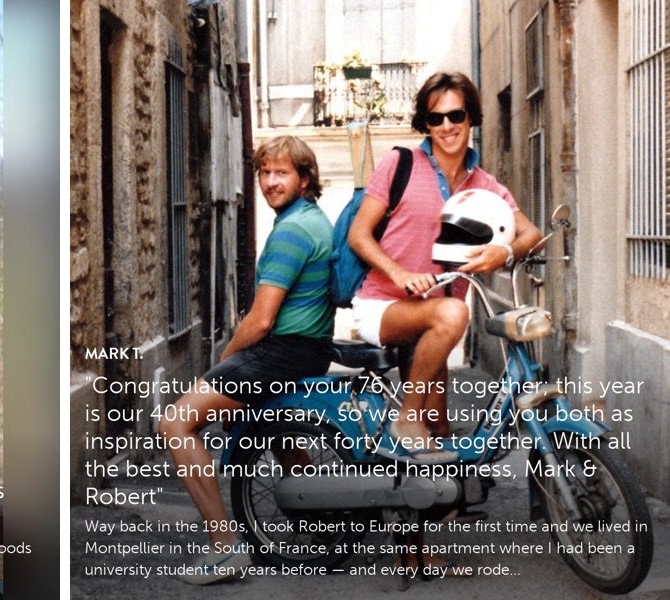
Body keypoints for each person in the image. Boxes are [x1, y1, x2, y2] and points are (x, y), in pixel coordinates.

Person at [158, 136, 335, 585]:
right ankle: (320, 527)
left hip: (284, 351)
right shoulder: (312, 219)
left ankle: (225, 549)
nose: (271, 182)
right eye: (265, 172)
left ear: (305, 178)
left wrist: (223, 358)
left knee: (177, 423)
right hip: (308, 350)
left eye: (282, 173)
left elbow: (260, 320)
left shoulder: (292, 231)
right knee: (275, 428)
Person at [348, 71, 541, 461]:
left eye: (456, 115)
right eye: (436, 119)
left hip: (435, 319)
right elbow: (359, 235)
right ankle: (406, 416)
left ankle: (424, 510)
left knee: (437, 430)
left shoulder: (485, 185)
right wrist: (400, 274)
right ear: (426, 123)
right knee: (454, 313)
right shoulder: (400, 164)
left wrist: (501, 254)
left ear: (471, 118)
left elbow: (531, 233)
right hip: (385, 306)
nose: (447, 126)